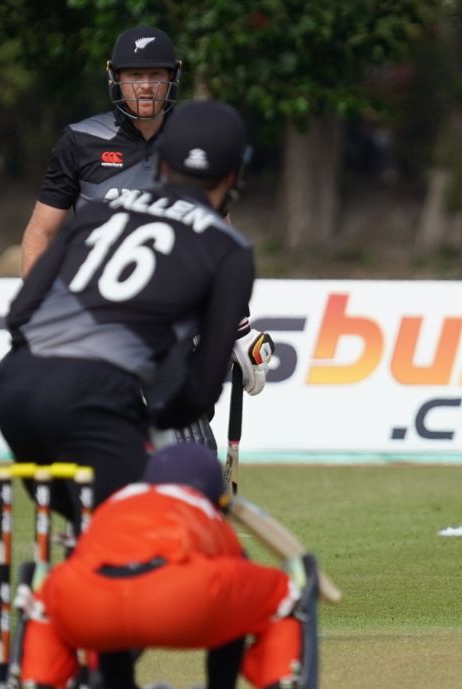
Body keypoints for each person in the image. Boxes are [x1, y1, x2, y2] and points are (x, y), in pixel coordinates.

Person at [0, 99, 257, 523]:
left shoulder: (99, 212)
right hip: (99, 401)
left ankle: (73, 560)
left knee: (87, 523)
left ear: (163, 164)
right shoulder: (228, 249)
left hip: (14, 393)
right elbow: (200, 392)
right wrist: (148, 420)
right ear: (233, 176)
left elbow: (20, 315)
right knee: (176, 495)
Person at [19, 25, 274, 450]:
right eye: (134, 75)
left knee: (189, 450)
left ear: (172, 78)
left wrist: (239, 327)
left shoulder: (194, 142)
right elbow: (40, 234)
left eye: (156, 75)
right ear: (115, 78)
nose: (145, 86)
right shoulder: (81, 141)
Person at [10, 443, 305, 689]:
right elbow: (237, 587)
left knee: (44, 605)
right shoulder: (204, 509)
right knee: (280, 593)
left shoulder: (116, 502)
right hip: (181, 596)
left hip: (90, 600)